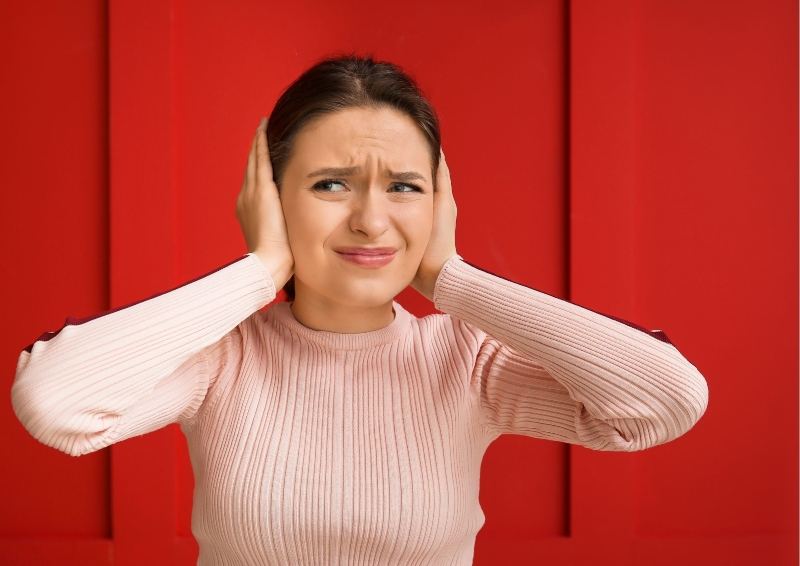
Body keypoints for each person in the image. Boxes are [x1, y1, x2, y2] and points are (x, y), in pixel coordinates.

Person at [10, 54, 709, 565]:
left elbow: (667, 401)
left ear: (440, 207)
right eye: (331, 184)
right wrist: (258, 272)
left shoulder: (465, 359)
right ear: (271, 199)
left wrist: (451, 279)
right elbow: (54, 403)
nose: (372, 221)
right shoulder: (223, 356)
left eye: (404, 186)